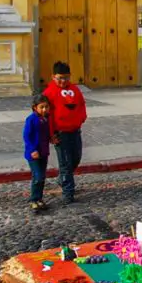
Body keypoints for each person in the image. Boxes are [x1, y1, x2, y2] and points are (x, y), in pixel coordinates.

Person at [43, 61, 87, 205]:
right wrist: (51, 134)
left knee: (76, 158)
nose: (63, 81)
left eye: (66, 78)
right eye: (60, 78)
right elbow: (46, 116)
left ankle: (63, 178)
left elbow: (81, 104)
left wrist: (81, 118)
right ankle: (68, 192)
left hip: (75, 130)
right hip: (60, 133)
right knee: (66, 164)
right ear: (53, 77)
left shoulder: (75, 89)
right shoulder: (49, 93)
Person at [23, 94, 52, 213]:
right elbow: (27, 136)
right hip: (34, 154)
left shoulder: (46, 119)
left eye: (46, 107)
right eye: (42, 107)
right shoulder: (31, 119)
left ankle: (39, 198)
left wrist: (51, 138)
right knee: (38, 176)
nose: (44, 109)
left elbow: (45, 134)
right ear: (35, 107)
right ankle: (33, 199)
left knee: (42, 177)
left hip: (43, 152)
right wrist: (32, 150)